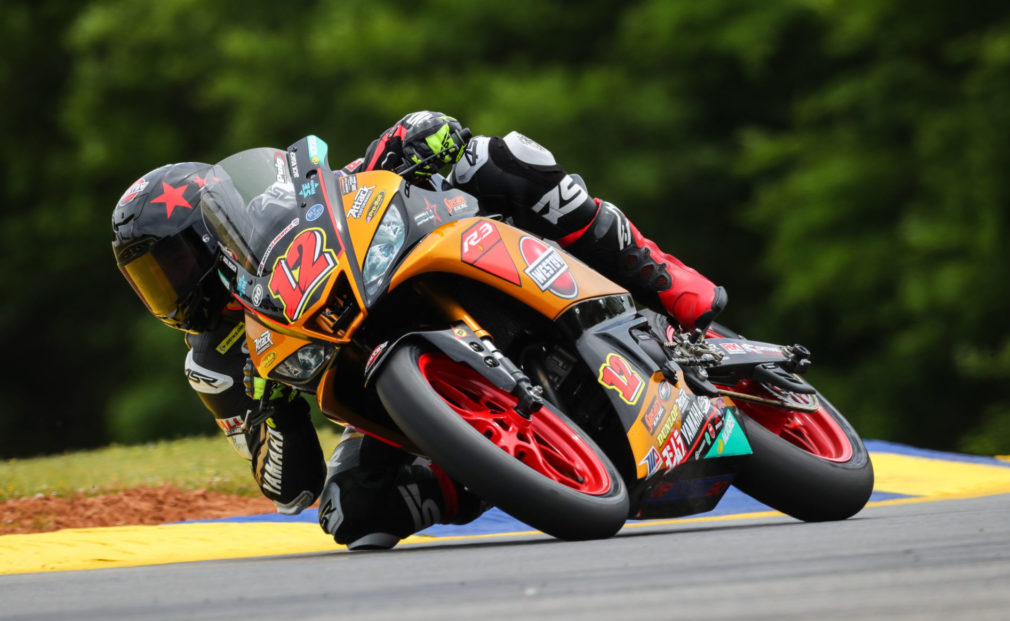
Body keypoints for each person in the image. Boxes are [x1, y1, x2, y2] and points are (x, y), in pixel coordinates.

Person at [111, 112, 726, 550]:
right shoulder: (214, 366)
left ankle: (661, 277)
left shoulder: (293, 206)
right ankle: (503, 470)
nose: (170, 288)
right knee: (350, 513)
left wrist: (412, 139)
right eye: (150, 280)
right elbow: (286, 487)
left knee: (502, 157)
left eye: (174, 265)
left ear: (215, 232)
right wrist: (271, 414)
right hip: (383, 395)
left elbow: (354, 174)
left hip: (438, 257)